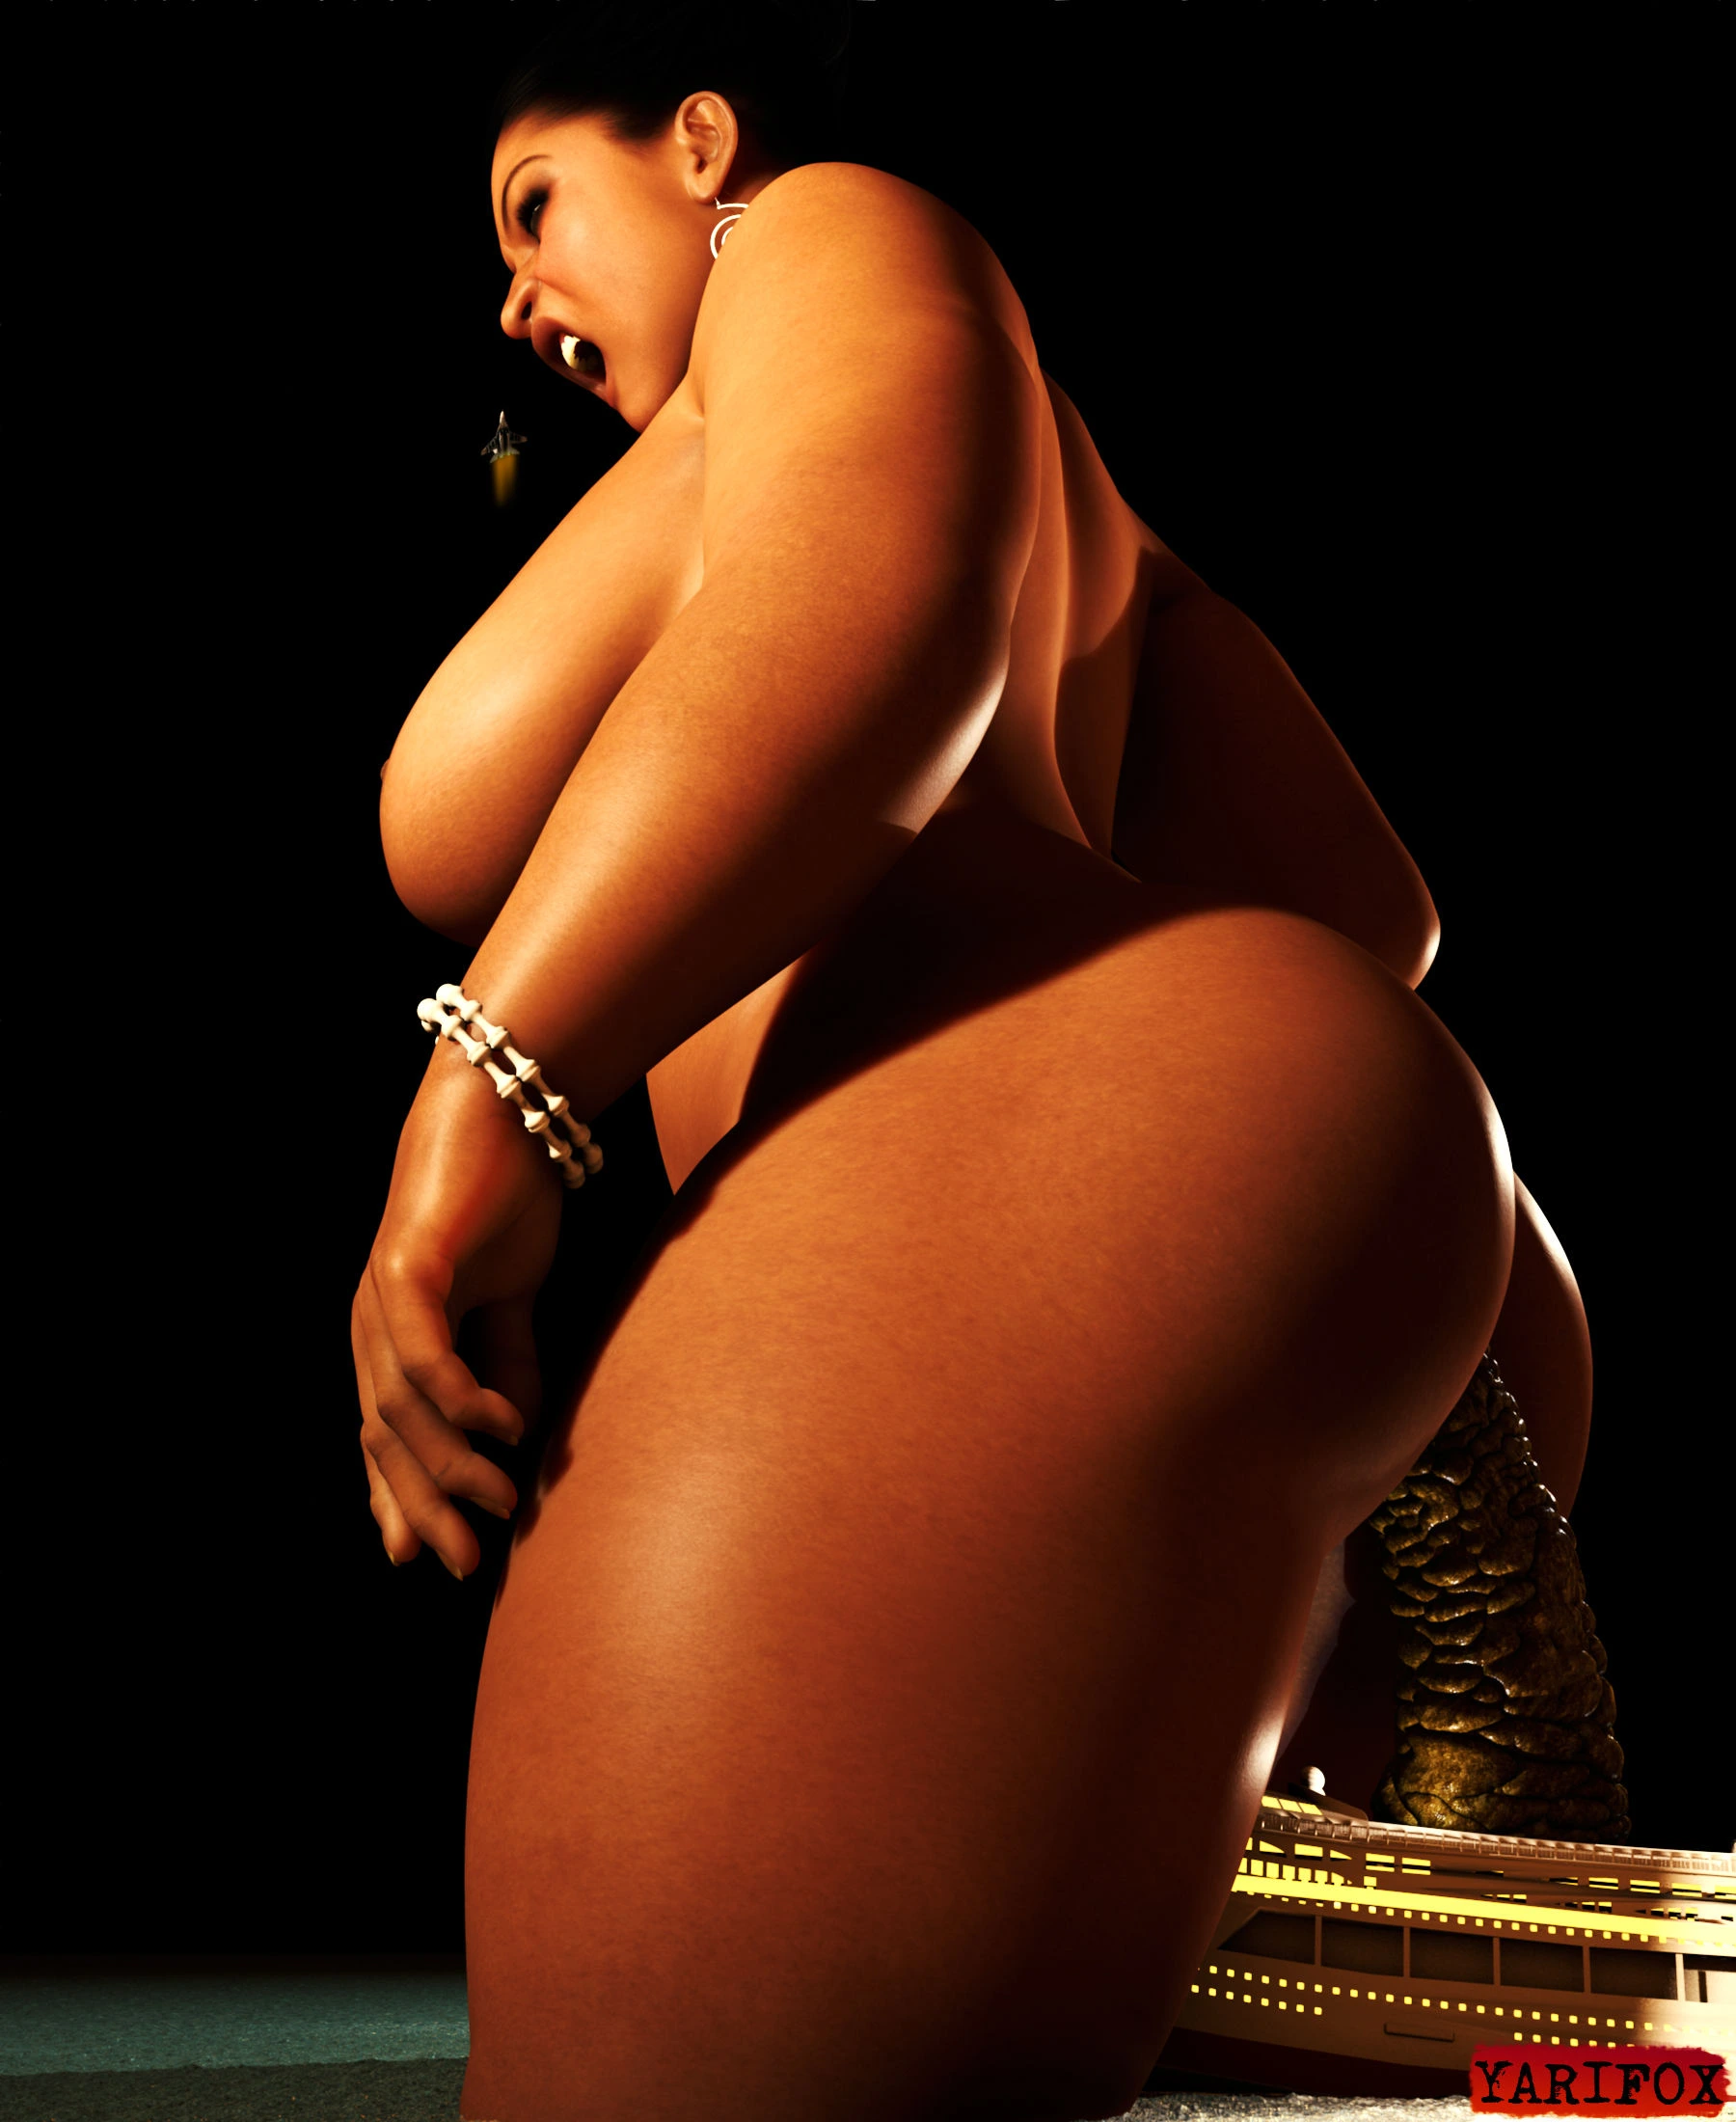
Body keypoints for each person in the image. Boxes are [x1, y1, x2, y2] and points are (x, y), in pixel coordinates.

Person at [349, 9, 1592, 2116]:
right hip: (1258, 1194)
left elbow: (880, 603)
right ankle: (1595, 1990)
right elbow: (1371, 913)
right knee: (1239, 1992)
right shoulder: (1066, 495)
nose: (514, 295)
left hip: (987, 1173)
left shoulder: (815, 235)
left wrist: (498, 1080)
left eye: (536, 207)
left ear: (701, 142)